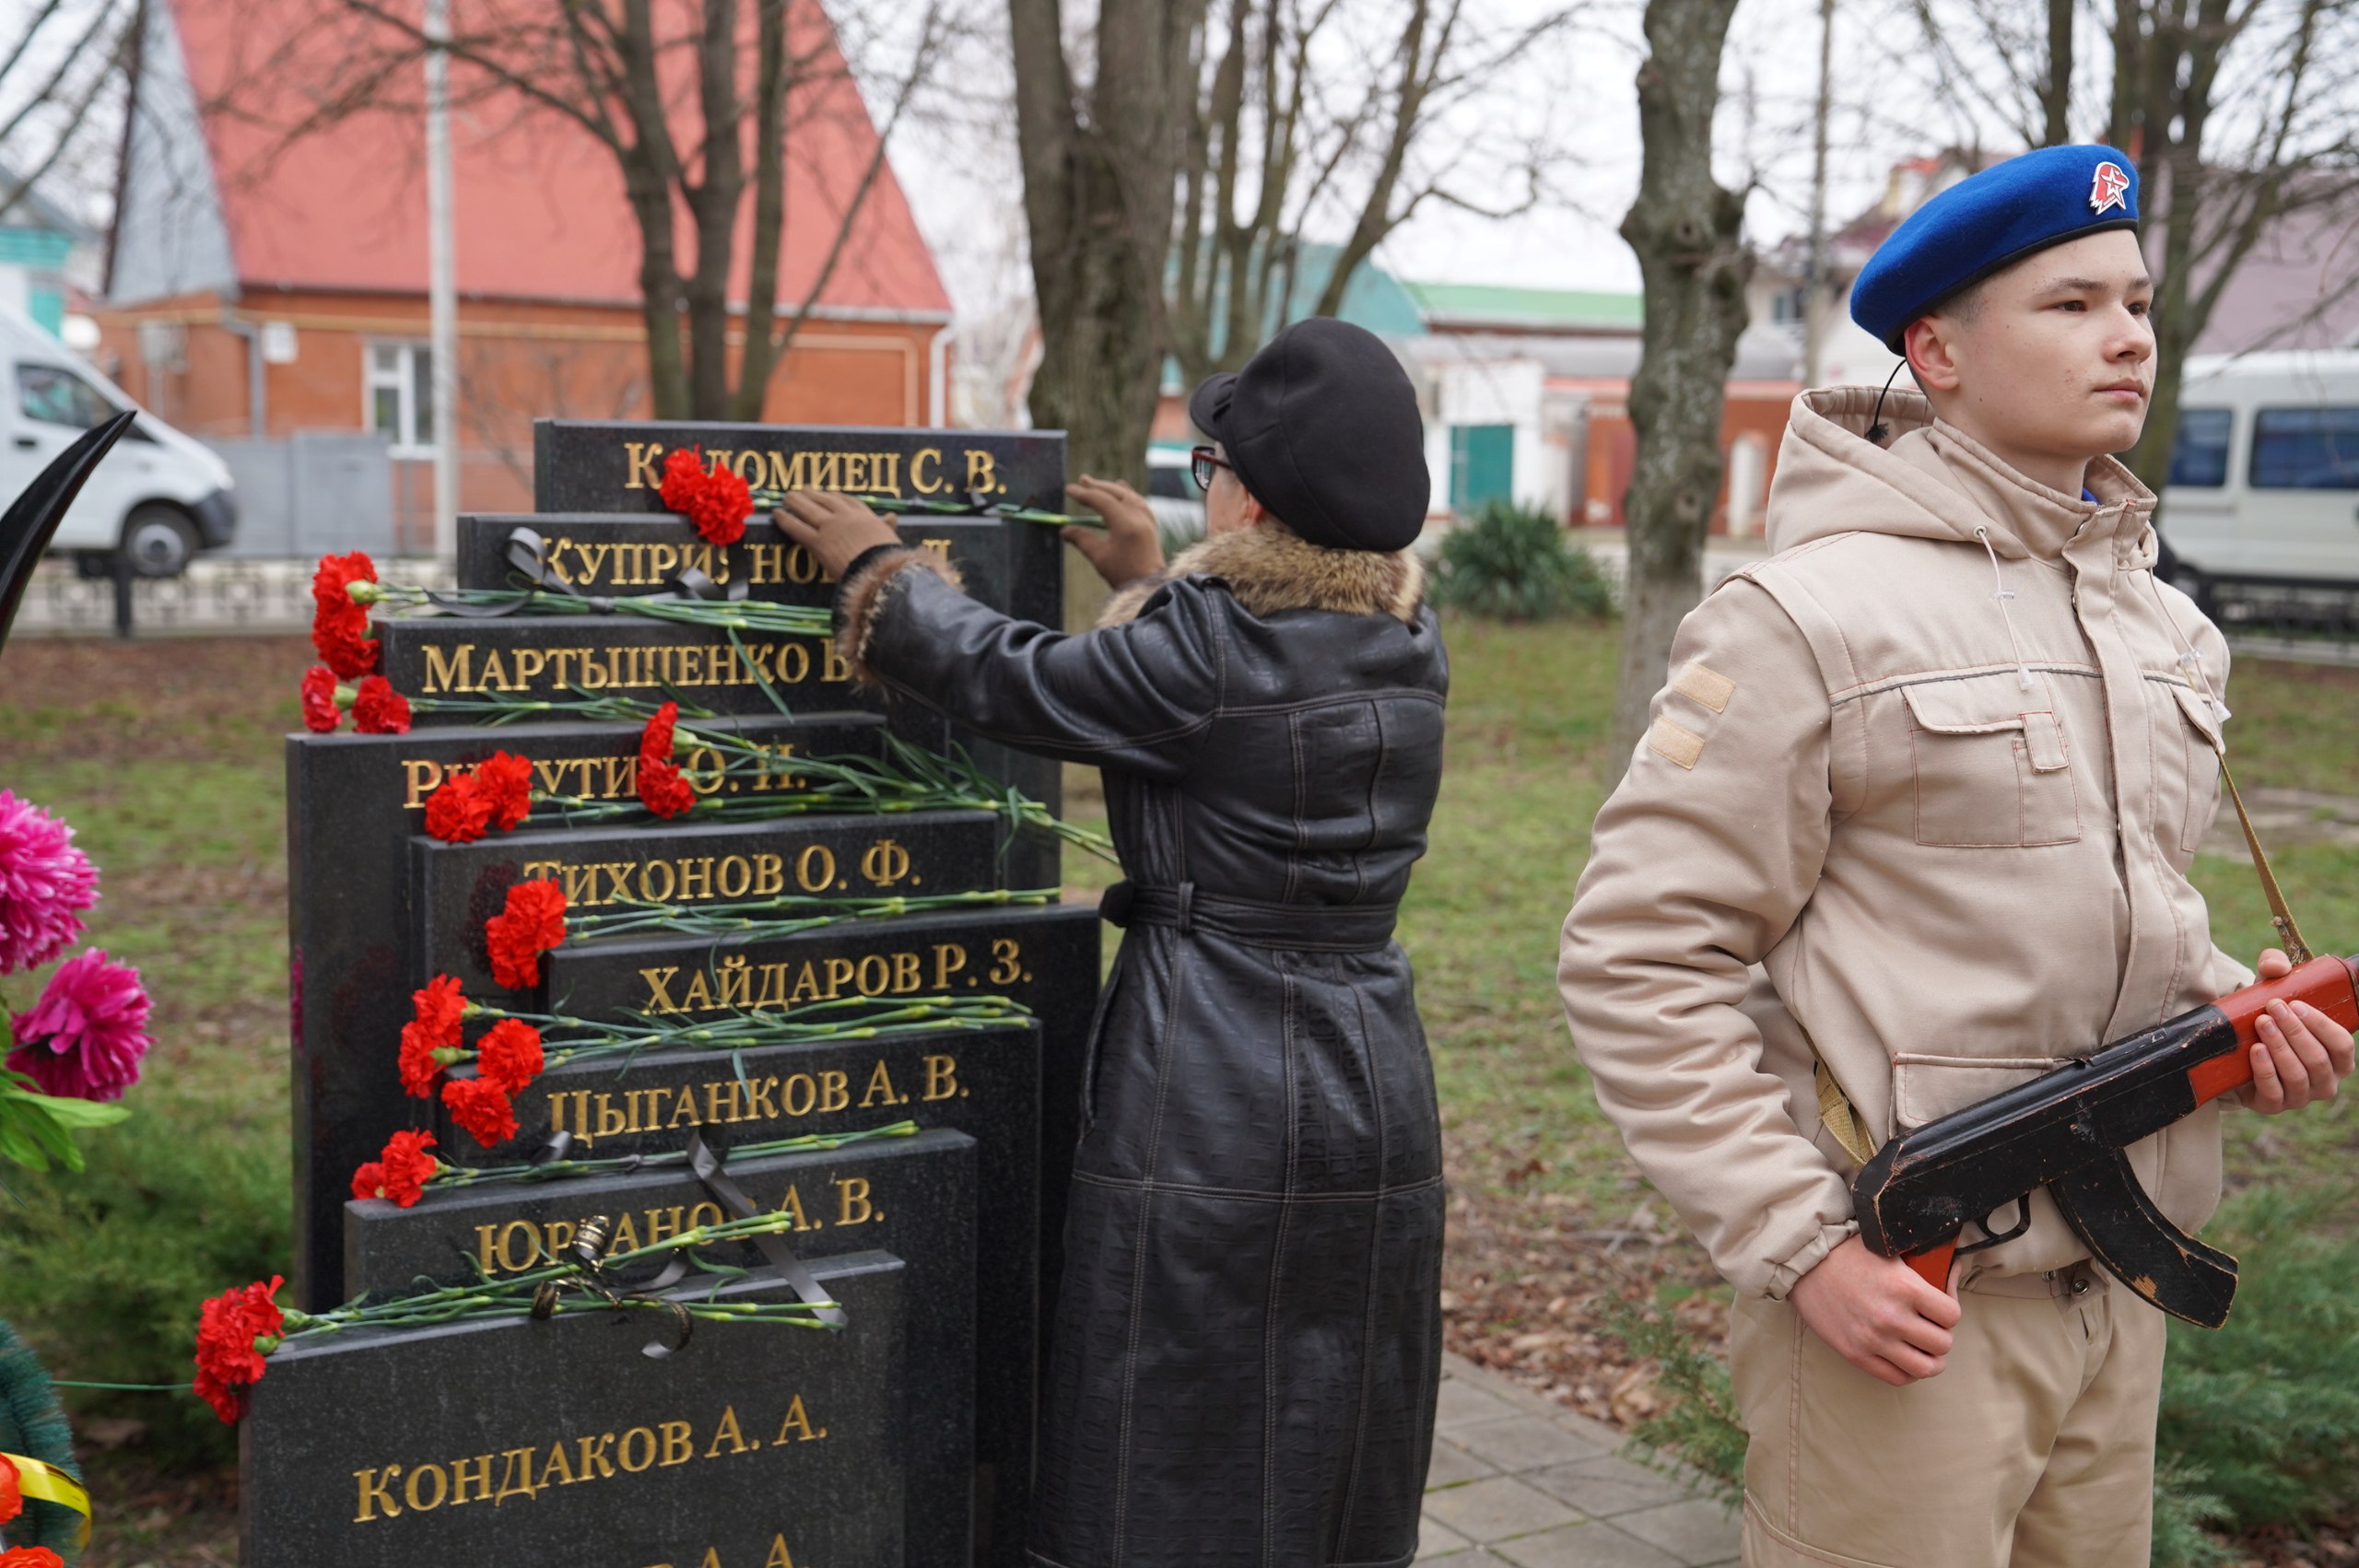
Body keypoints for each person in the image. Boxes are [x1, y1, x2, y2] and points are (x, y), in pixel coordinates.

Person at [1557, 144, 2354, 1568]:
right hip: (1907, 1312)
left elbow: (2117, 910)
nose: (2127, 337)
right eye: (2070, 304)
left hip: (2120, 1299)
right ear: (1937, 350)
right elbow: (1637, 955)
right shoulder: (1805, 619)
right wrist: (1802, 1248)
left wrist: (2246, 1010)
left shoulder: (2166, 629)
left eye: (2139, 302)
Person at [777, 316, 1449, 1568]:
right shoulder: (1409, 639)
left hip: (1213, 1070)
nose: (1207, 489)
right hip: (1371, 1071)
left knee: (1167, 1403)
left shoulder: (1204, 653)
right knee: (1328, 1400)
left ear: (1254, 500)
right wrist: (1156, 576)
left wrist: (883, 574)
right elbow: (1212, 685)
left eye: (1213, 471)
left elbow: (1014, 678)